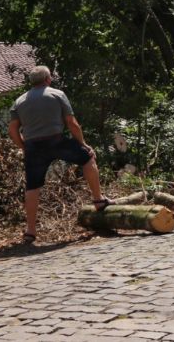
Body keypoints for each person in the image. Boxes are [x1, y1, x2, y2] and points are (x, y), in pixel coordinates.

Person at [8, 65, 112, 244]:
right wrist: (83, 144)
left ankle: (30, 231)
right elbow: (71, 122)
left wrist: (24, 147)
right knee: (88, 158)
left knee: (32, 186)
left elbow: (12, 129)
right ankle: (98, 200)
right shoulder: (57, 94)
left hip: (33, 146)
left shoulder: (19, 101)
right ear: (48, 79)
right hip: (56, 141)